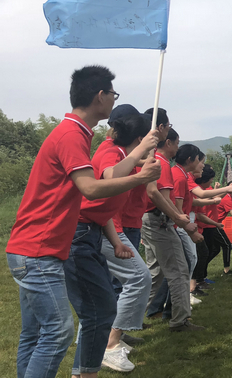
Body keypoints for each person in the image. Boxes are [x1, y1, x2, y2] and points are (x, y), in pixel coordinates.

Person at [5, 66, 160, 378]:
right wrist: (140, 177)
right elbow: (90, 188)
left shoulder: (76, 133)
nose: (114, 100)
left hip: (35, 247)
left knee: (36, 333)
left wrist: (139, 155)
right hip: (39, 250)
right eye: (113, 94)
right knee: (57, 332)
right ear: (100, 96)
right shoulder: (72, 134)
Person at [66, 112, 159, 376]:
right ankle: (110, 345)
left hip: (96, 231)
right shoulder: (111, 151)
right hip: (82, 234)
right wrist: (141, 166)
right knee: (105, 304)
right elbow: (109, 177)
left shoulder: (116, 151)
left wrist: (116, 242)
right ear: (139, 138)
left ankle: (85, 367)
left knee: (97, 308)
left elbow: (101, 207)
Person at [141, 127, 204, 332]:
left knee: (155, 274)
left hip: (151, 220)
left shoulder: (157, 162)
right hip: (160, 222)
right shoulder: (163, 164)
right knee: (179, 271)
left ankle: (129, 319)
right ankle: (179, 320)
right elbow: (162, 198)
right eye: (176, 143)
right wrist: (180, 220)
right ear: (168, 143)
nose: (178, 147)